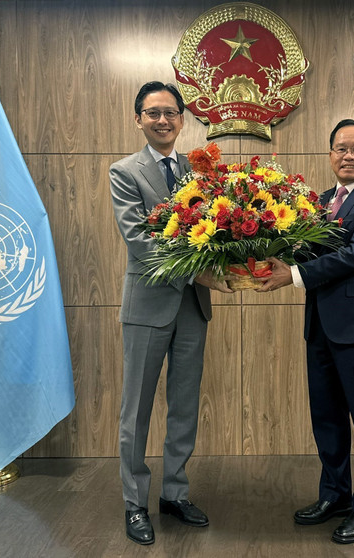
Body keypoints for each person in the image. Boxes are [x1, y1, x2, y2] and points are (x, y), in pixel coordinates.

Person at [257, 119, 354, 544]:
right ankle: (334, 495)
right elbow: (297, 247)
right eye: (341, 148)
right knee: (328, 419)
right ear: (330, 154)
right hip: (320, 326)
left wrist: (295, 275)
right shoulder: (318, 202)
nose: (348, 155)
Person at [110, 81, 232, 546]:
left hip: (192, 312)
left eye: (170, 113)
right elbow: (140, 241)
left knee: (184, 406)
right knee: (136, 408)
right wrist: (199, 274)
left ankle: (175, 493)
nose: (162, 120)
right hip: (148, 306)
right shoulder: (125, 172)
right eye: (152, 113)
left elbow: (214, 228)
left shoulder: (198, 172)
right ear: (138, 119)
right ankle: (135, 502)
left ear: (183, 119)